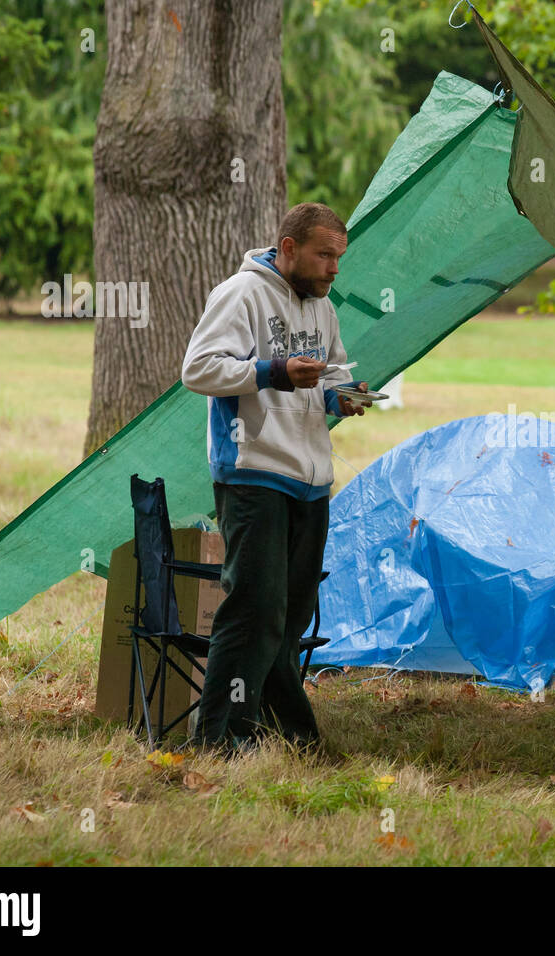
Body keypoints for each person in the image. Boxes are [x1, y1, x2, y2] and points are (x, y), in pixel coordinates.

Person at [181, 201, 368, 753]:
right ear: (289, 248)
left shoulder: (322, 308)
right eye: (325, 255)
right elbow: (199, 369)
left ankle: (284, 734)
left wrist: (345, 396)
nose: (335, 269)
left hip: (312, 479)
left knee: (290, 617)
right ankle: (218, 741)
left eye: (340, 257)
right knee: (253, 610)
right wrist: (272, 370)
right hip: (254, 471)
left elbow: (330, 373)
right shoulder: (240, 294)